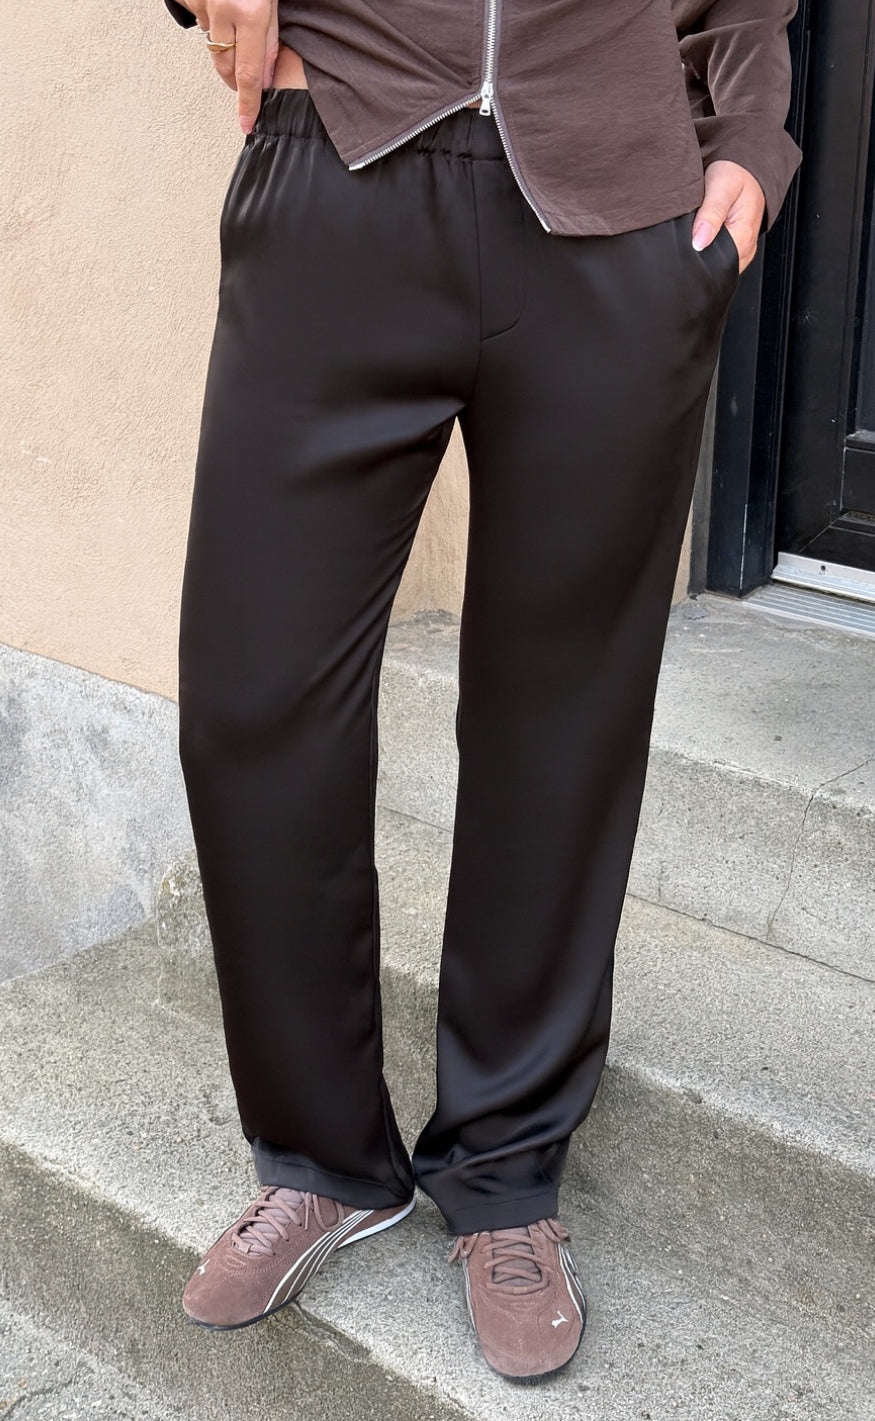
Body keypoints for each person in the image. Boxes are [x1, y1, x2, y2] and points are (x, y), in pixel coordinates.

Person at [163, 0, 801, 1383]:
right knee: (251, 703)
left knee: (561, 721)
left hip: (619, 211)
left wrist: (750, 139)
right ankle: (322, 1155)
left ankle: (506, 1169)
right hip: (339, 167)